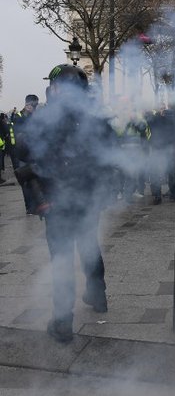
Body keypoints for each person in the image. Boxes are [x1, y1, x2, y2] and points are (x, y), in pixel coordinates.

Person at [17, 64, 116, 342]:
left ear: (58, 87)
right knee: (88, 244)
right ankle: (98, 296)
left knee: (61, 255)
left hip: (57, 197)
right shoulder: (95, 115)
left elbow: (22, 149)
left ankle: (62, 321)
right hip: (88, 196)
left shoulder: (50, 115)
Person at [12, 94, 40, 214]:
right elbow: (22, 130)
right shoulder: (19, 117)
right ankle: (29, 206)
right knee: (25, 180)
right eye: (34, 104)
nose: (34, 107)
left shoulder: (35, 116)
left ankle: (36, 204)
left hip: (34, 152)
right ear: (27, 104)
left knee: (36, 178)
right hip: (23, 154)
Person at [146, 102, 175, 204]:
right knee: (156, 173)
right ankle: (158, 195)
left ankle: (171, 194)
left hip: (168, 148)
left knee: (170, 172)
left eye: (163, 108)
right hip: (157, 148)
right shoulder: (155, 118)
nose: (162, 110)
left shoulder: (169, 116)